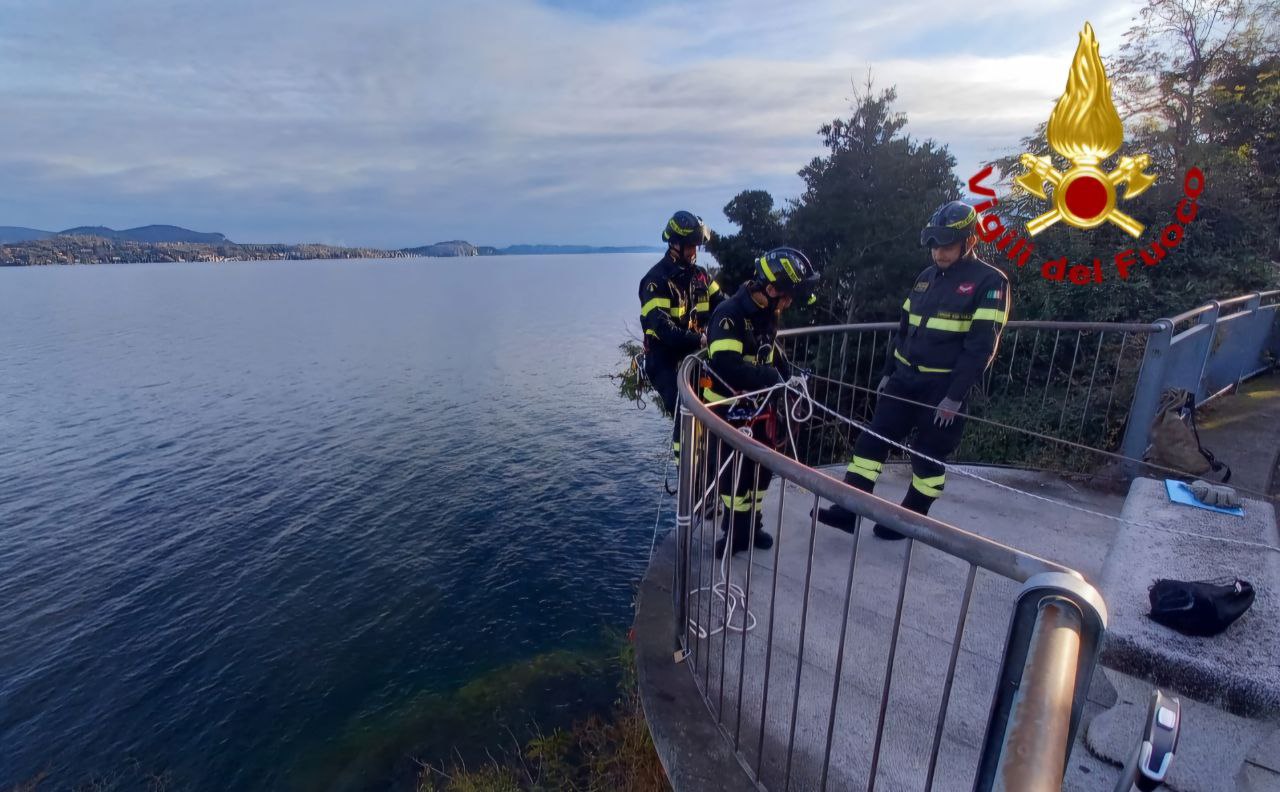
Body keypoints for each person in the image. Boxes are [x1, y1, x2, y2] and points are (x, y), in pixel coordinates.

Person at [817, 200, 1010, 540]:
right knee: (870, 443)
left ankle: (910, 518)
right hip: (904, 379)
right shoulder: (925, 278)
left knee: (927, 459)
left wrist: (954, 397)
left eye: (947, 245)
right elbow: (903, 330)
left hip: (943, 388)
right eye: (935, 246)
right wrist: (889, 372)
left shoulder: (990, 282)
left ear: (970, 241)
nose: (939, 253)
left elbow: (981, 347)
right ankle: (847, 509)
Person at [703, 247, 819, 557]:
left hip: (761, 408)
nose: (789, 302)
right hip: (728, 412)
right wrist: (768, 377)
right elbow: (725, 366)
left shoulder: (768, 312)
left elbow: (768, 350)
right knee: (734, 478)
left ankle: (752, 526)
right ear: (770, 289)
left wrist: (786, 373)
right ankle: (734, 531)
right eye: (788, 295)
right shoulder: (730, 315)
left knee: (761, 471)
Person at [639, 211, 723, 462]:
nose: (695, 250)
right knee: (683, 407)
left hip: (694, 357)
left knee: (714, 404)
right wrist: (699, 340)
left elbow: (723, 305)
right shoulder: (656, 281)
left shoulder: (700, 276)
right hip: (664, 359)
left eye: (697, 245)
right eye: (690, 245)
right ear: (675, 244)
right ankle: (685, 467)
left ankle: (708, 461)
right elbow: (663, 329)